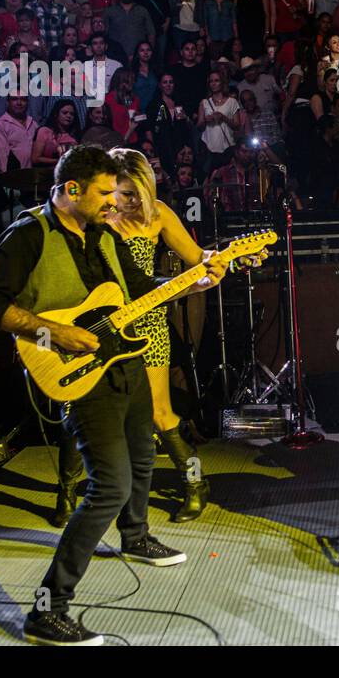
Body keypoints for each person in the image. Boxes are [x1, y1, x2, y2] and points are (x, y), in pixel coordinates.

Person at [0, 145, 231, 644]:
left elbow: (142, 289)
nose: (114, 201)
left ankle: (135, 537)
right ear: (71, 190)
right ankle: (48, 608)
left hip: (124, 362)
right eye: (104, 193)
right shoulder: (28, 234)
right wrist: (55, 334)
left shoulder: (102, 234)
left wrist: (198, 281)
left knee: (140, 457)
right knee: (109, 485)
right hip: (75, 371)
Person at [108, 148, 234, 522]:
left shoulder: (158, 213)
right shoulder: (96, 215)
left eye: (139, 194)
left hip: (146, 323)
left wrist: (227, 259)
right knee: (85, 411)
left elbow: (198, 257)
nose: (132, 203)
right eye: (125, 193)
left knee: (161, 414)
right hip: (98, 323)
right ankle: (69, 493)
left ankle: (195, 484)